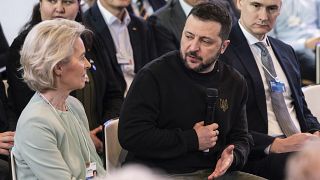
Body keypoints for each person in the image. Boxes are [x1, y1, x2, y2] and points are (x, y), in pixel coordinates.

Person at [119, 2, 262, 180]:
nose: (193, 47)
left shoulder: (234, 82)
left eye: (205, 41)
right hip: (160, 173)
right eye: (188, 36)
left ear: (223, 47)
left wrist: (234, 156)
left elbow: (241, 137)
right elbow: (130, 135)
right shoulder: (153, 75)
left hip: (214, 173)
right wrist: (192, 139)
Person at [219, 0, 320, 179]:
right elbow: (224, 124)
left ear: (280, 9)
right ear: (240, 3)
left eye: (271, 8)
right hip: (260, 153)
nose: (264, 16)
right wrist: (276, 144)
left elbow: (302, 110)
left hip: (302, 144)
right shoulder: (222, 51)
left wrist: (315, 131)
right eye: (256, 6)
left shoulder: (285, 51)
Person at [6, 0, 123, 153]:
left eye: (67, 2)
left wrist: (104, 131)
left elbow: (115, 93)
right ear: (40, 4)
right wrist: (82, 138)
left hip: (100, 141)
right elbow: (29, 108)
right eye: (52, 1)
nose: (59, 9)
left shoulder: (91, 39)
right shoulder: (24, 47)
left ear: (79, 6)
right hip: (54, 143)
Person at [12, 19, 106, 179]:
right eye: (82, 57)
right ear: (58, 67)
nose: (88, 65)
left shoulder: (73, 105)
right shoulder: (35, 123)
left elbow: (91, 166)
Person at [83, 0, 157, 96]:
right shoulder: (85, 27)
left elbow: (152, 72)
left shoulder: (142, 26)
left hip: (144, 101)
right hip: (109, 106)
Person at [147, 0, 238, 57]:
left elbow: (237, 45)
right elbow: (172, 66)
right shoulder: (160, 21)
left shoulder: (224, 5)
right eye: (189, 36)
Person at [269, 0, 320, 83]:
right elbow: (270, 42)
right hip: (293, 48)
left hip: (316, 41)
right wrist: (305, 44)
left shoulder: (314, 1)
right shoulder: (273, 3)